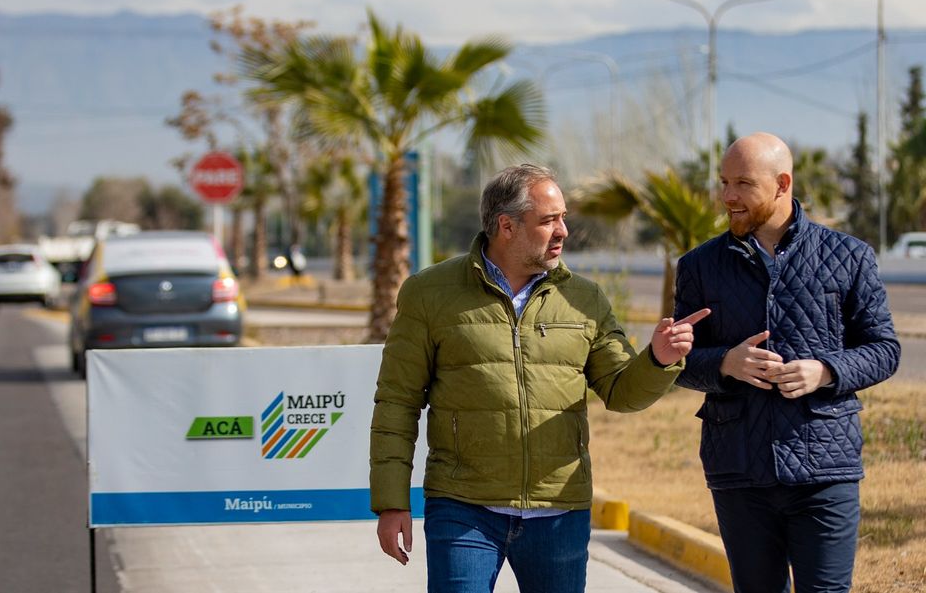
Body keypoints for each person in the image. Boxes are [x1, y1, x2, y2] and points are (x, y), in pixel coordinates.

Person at [369, 163, 710, 593]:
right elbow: (397, 401)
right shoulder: (429, 293)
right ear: (506, 226)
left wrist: (658, 360)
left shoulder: (584, 298)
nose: (563, 230)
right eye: (549, 220)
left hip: (559, 512)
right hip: (464, 508)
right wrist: (391, 502)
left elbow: (622, 393)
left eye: (563, 217)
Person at [673, 132, 900, 593]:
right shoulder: (699, 265)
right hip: (738, 467)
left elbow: (884, 349)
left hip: (825, 468)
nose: (728, 196)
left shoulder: (850, 256)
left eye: (742, 184)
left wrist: (826, 371)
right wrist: (725, 363)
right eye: (723, 182)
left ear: (782, 184)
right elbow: (680, 362)